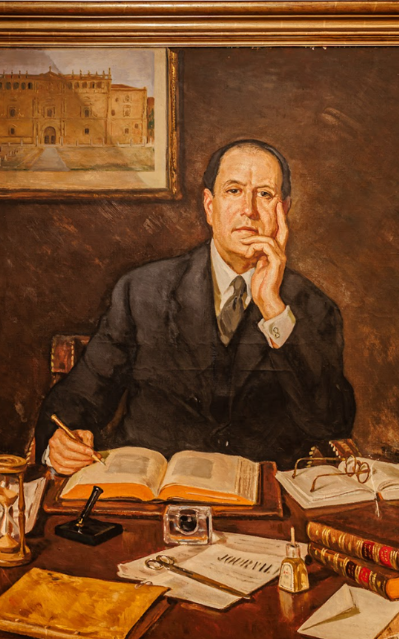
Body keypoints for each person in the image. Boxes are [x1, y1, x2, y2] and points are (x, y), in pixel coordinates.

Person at [35, 139, 355, 474]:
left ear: (283, 211)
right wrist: (60, 442)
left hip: (263, 495)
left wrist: (274, 309)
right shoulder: (141, 290)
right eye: (234, 191)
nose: (249, 209)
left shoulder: (315, 307)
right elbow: (80, 397)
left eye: (264, 194)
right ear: (209, 206)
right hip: (153, 491)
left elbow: (332, 422)